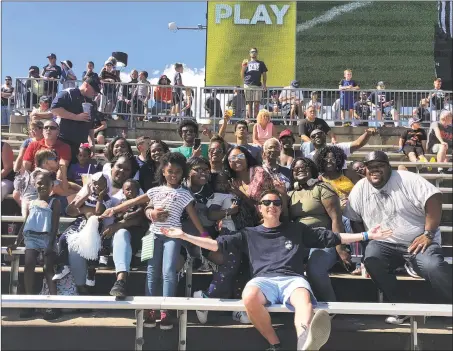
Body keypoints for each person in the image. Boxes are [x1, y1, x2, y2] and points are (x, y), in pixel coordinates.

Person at [161, 189, 392, 351]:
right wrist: (183, 235)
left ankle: (305, 342)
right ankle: (275, 343)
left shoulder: (297, 229)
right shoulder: (249, 233)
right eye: (267, 203)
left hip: (292, 279)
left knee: (303, 298)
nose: (272, 206)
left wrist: (366, 235)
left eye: (277, 203)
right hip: (263, 281)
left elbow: (333, 237)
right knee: (249, 296)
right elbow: (214, 245)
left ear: (282, 208)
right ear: (260, 208)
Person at [344, 151, 452, 324]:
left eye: (379, 166)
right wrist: (366, 247)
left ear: (389, 167)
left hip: (417, 239)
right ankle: (402, 307)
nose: (375, 170)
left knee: (432, 266)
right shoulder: (360, 188)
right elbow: (354, 219)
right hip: (385, 243)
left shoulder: (406, 179)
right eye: (370, 167)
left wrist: (428, 234)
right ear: (365, 169)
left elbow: (434, 198)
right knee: (372, 259)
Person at [102, 152, 206, 329]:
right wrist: (113, 210)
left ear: (183, 174)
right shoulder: (154, 190)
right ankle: (150, 310)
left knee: (168, 271)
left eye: (178, 172)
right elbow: (134, 201)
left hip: (173, 235)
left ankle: (166, 311)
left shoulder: (184, 194)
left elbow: (193, 215)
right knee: (151, 271)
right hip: (153, 235)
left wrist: (203, 235)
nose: (173, 175)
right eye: (170, 171)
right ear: (163, 172)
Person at [66, 154, 142, 297]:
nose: (122, 171)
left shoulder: (133, 188)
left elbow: (139, 219)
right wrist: (87, 209)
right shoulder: (96, 181)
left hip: (112, 235)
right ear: (112, 167)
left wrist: (117, 226)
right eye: (119, 166)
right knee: (74, 243)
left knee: (122, 234)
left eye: (127, 169)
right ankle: (81, 289)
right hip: (91, 230)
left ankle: (121, 282)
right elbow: (72, 210)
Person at [288, 157, 347, 302]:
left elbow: (336, 219)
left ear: (312, 170)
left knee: (315, 270)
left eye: (305, 167)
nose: (300, 169)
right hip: (300, 240)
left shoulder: (322, 188)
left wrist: (341, 249)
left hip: (322, 240)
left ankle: (330, 307)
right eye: (296, 168)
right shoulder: (290, 194)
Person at [8, 169, 61, 320]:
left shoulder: (54, 202)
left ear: (52, 185)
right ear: (34, 185)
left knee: (48, 269)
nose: (42, 186)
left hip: (47, 238)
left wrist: (50, 244)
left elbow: (55, 226)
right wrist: (16, 242)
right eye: (39, 183)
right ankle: (30, 303)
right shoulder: (31, 203)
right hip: (31, 238)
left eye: (46, 183)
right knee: (28, 266)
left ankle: (55, 305)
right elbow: (26, 224)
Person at [53, 172, 111, 283]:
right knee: (63, 239)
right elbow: (72, 209)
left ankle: (91, 272)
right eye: (95, 183)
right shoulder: (88, 195)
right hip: (81, 222)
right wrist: (86, 194)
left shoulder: (106, 198)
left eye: (101, 184)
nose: (98, 186)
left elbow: (98, 212)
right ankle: (64, 265)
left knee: (92, 246)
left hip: (96, 225)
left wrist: (99, 198)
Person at [51, 76, 102, 164]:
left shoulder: (92, 103)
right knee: (61, 168)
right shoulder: (69, 93)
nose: (96, 94)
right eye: (95, 90)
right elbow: (55, 109)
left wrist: (92, 143)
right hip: (63, 140)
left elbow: (90, 126)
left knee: (72, 173)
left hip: (79, 145)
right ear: (87, 85)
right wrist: (76, 117)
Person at [14, 149, 71, 217]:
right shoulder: (46, 174)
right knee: (68, 198)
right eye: (55, 159)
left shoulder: (36, 172)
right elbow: (64, 192)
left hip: (27, 205)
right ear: (46, 162)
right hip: (36, 207)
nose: (58, 161)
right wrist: (64, 173)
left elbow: (66, 185)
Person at [307, 127, 376, 175]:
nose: (317, 136)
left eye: (319, 134)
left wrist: (367, 134)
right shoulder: (309, 157)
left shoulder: (338, 148)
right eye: (313, 136)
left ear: (325, 136)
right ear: (311, 140)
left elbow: (358, 143)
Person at [241, 47, 268, 119]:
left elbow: (264, 74)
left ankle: (256, 119)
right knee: (249, 103)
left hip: (257, 85)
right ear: (250, 54)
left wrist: (264, 84)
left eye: (255, 51)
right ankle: (250, 119)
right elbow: (242, 74)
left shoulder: (261, 63)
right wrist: (243, 67)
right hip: (248, 85)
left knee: (257, 103)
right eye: (252, 51)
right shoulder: (246, 63)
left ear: (257, 53)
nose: (253, 53)